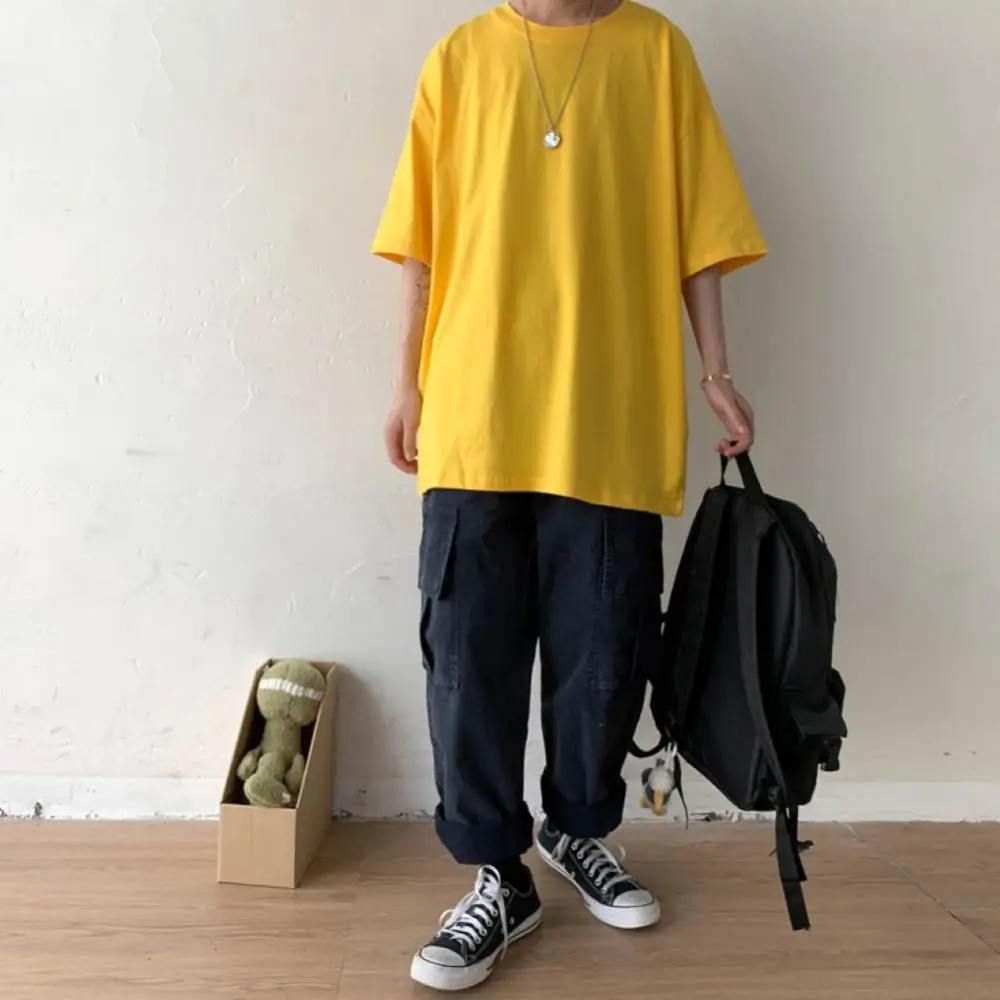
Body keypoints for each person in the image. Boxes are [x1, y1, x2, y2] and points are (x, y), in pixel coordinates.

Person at [372, 0, 767, 990]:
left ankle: (576, 828)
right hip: (476, 412)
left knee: (606, 651)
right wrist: (406, 383)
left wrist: (717, 372)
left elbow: (700, 230)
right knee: (468, 657)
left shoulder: (657, 52)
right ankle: (496, 875)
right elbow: (422, 244)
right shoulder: (460, 59)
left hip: (611, 413)